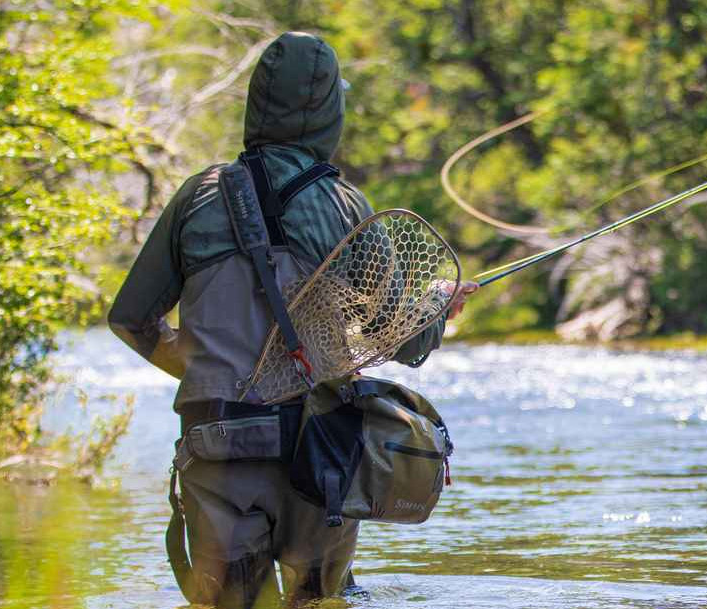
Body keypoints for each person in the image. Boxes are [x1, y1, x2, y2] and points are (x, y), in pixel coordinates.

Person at [108, 32, 477, 608]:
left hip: (217, 443)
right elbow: (404, 341)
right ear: (330, 109)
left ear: (257, 103)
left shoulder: (196, 197)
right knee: (318, 601)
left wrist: (205, 371)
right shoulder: (344, 205)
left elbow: (132, 319)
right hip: (319, 450)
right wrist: (437, 302)